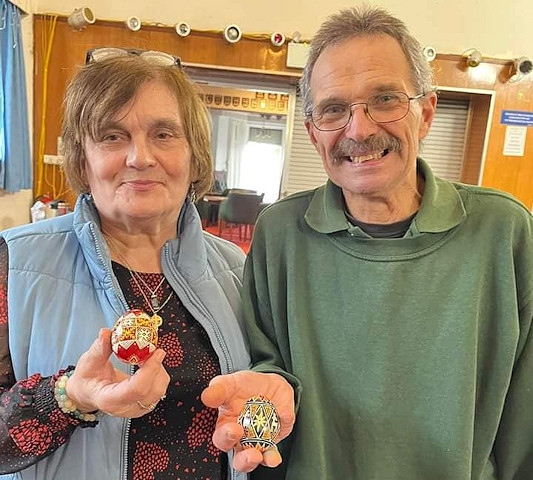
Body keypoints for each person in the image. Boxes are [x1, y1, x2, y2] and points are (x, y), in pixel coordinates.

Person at [232, 6, 533, 480]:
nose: (360, 129)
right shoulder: (280, 234)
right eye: (334, 109)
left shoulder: (504, 232)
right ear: (313, 132)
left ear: (426, 112)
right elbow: (267, 371)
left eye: (386, 99)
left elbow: (526, 413)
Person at [0, 48, 293, 480]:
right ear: (82, 158)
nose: (140, 158)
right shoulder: (14, 262)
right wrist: (69, 397)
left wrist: (273, 398)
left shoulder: (236, 269)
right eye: (112, 136)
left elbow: (262, 395)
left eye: (164, 134)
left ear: (194, 156)